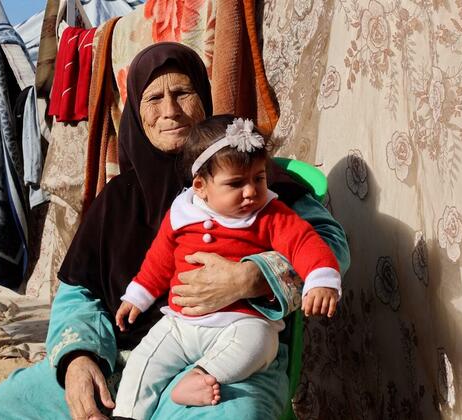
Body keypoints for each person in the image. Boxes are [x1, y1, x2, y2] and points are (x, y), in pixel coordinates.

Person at [0, 42, 350, 420]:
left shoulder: (256, 182)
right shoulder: (118, 198)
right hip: (118, 361)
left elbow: (330, 247)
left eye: (183, 92)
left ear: (205, 99)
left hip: (220, 366)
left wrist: (251, 277)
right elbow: (79, 291)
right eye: (154, 98)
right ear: (135, 113)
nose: (171, 111)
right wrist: (78, 357)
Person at [112, 116, 341, 419]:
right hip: (182, 324)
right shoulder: (181, 214)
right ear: (201, 187)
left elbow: (306, 243)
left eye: (259, 179)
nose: (250, 191)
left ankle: (201, 376)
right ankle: (127, 414)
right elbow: (159, 260)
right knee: (144, 359)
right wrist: (137, 297)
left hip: (239, 323)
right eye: (236, 183)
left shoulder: (270, 215)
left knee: (260, 342)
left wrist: (320, 278)